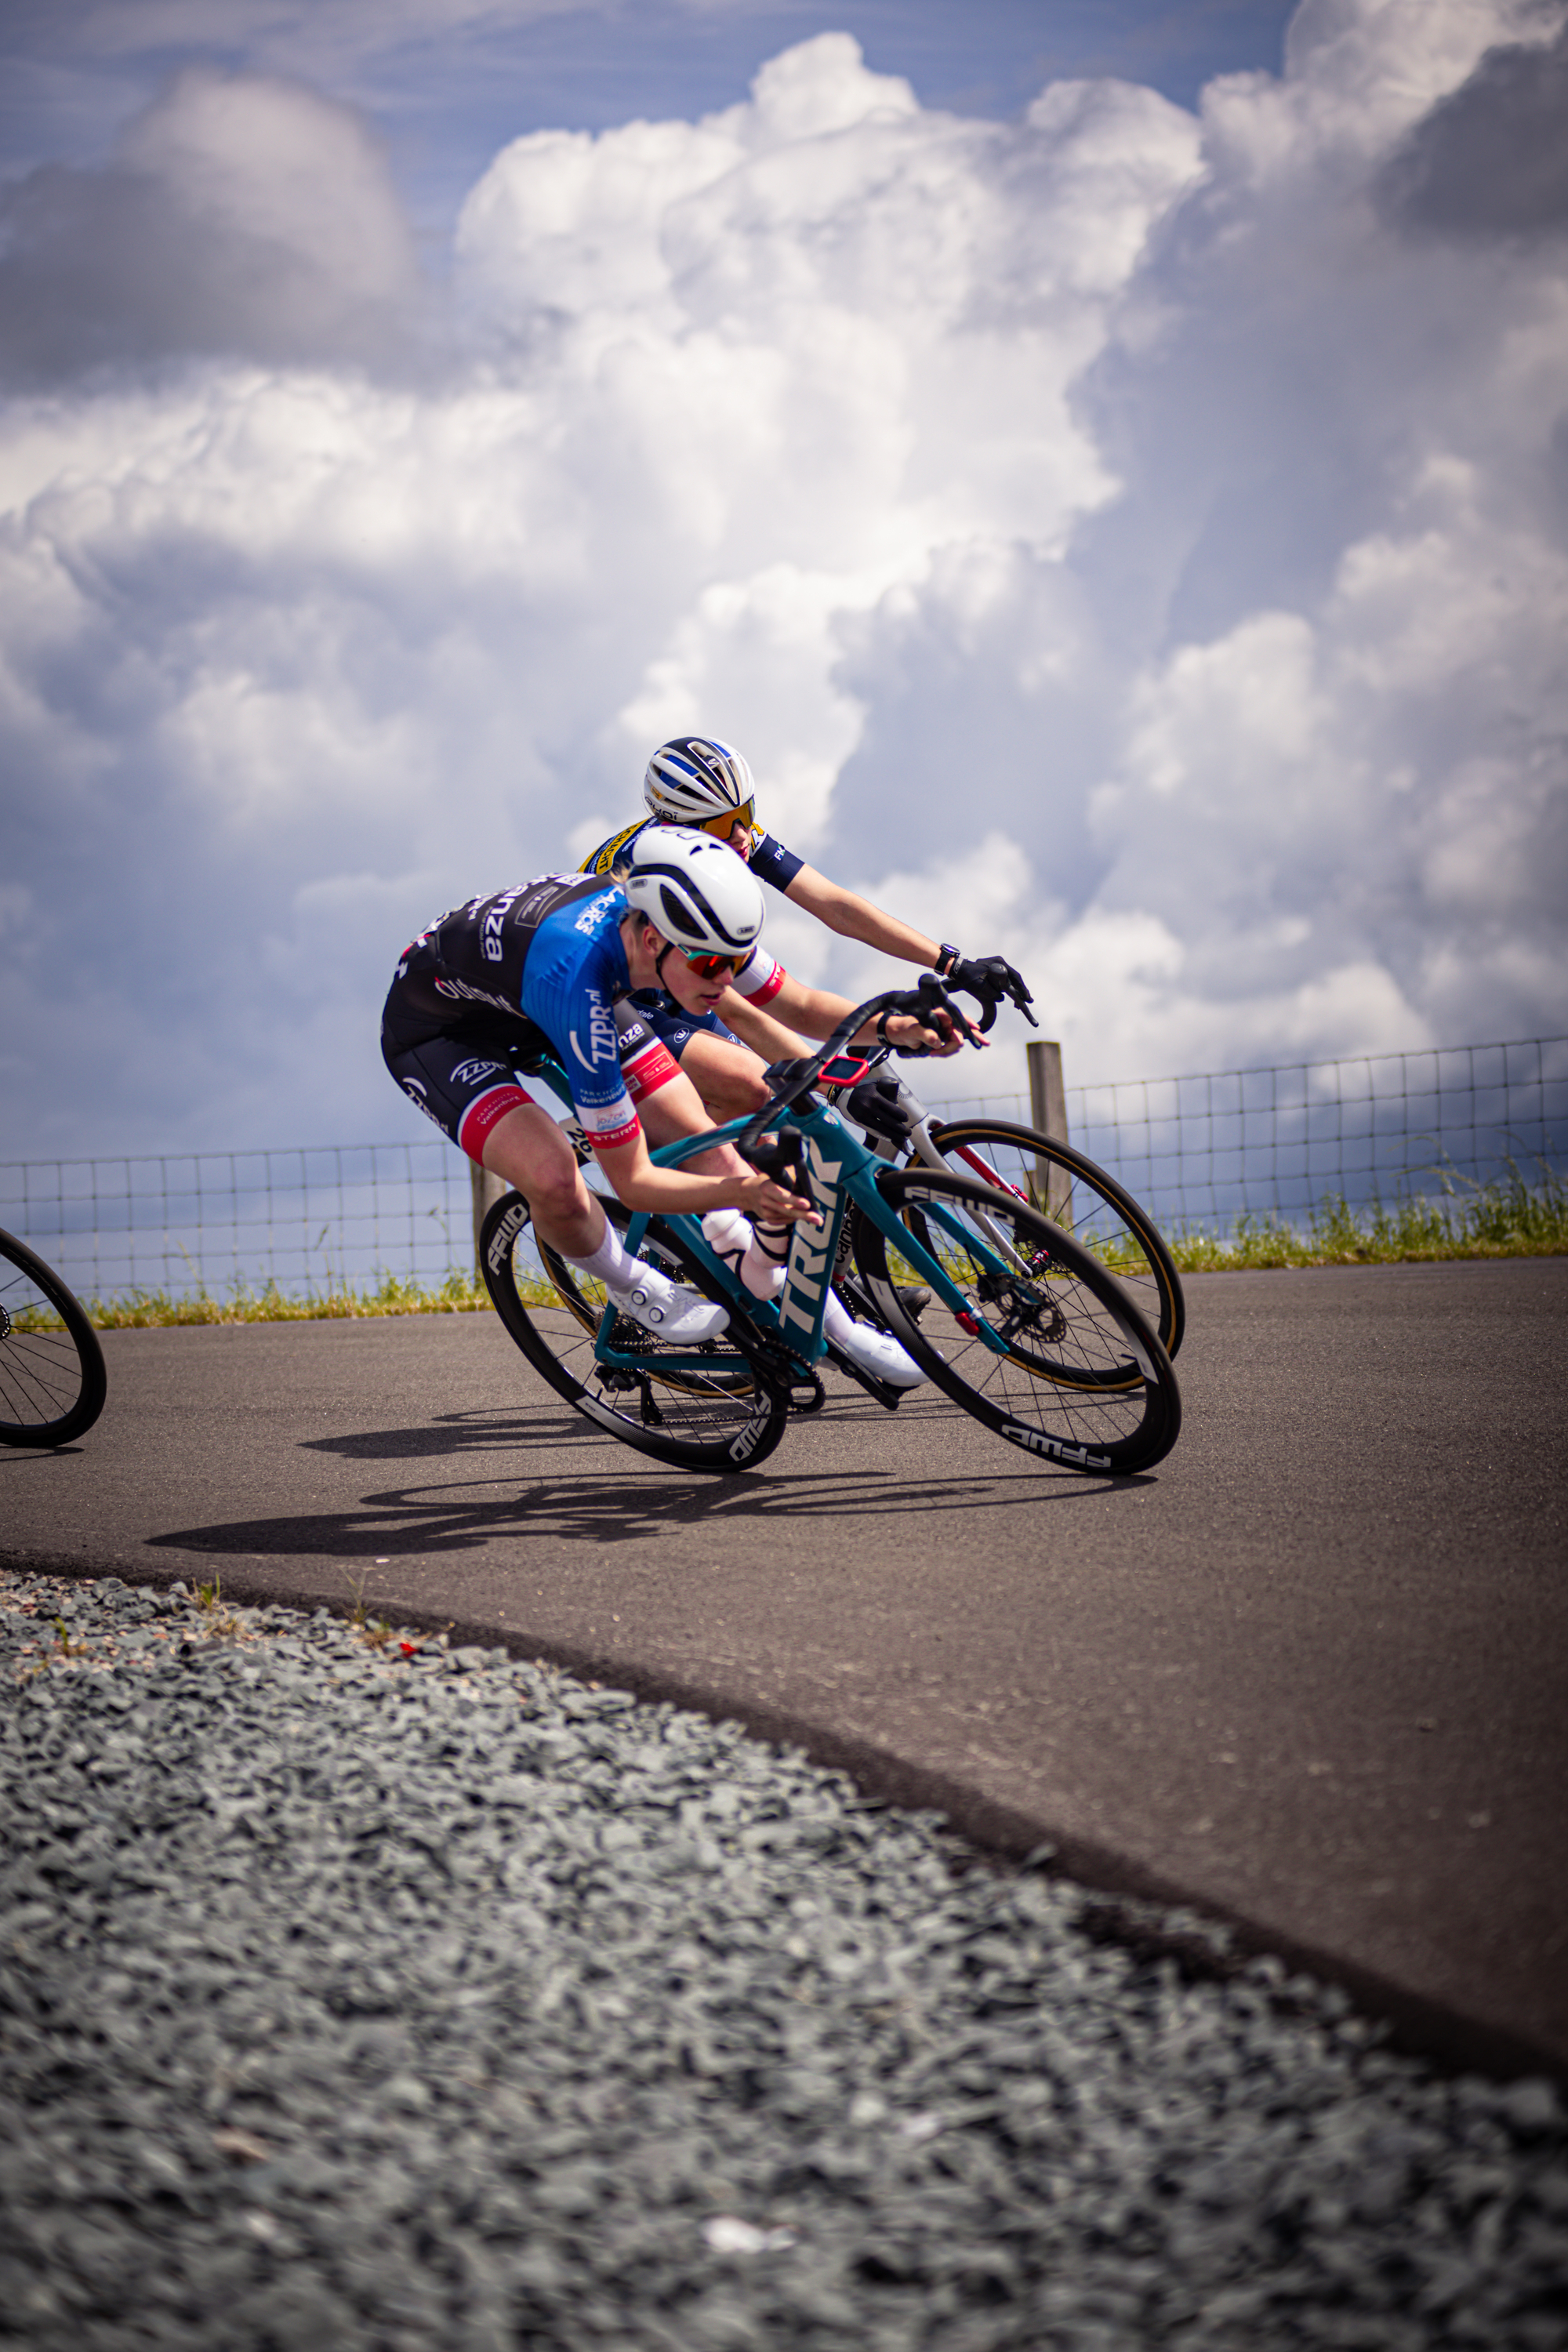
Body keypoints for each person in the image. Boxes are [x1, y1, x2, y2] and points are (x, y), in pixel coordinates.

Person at [381, 827, 944, 1384]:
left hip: (534, 994)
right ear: (653, 942)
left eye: (734, 961)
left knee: (712, 1151)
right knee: (553, 1178)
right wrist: (745, 1193)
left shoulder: (690, 927)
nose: (724, 983)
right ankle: (631, 1285)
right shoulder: (581, 985)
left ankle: (844, 1337)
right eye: (708, 968)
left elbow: (792, 1003)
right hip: (443, 1036)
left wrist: (896, 1027)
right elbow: (634, 1183)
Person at [579, 735, 1036, 1117]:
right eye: (723, 825)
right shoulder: (660, 880)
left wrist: (951, 963)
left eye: (746, 814)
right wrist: (835, 1087)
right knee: (759, 1090)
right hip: (610, 999)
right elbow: (741, 1009)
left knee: (780, 1110)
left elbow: (837, 907)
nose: (742, 835)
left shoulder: (720, 842)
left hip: (677, 987)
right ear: (678, 825)